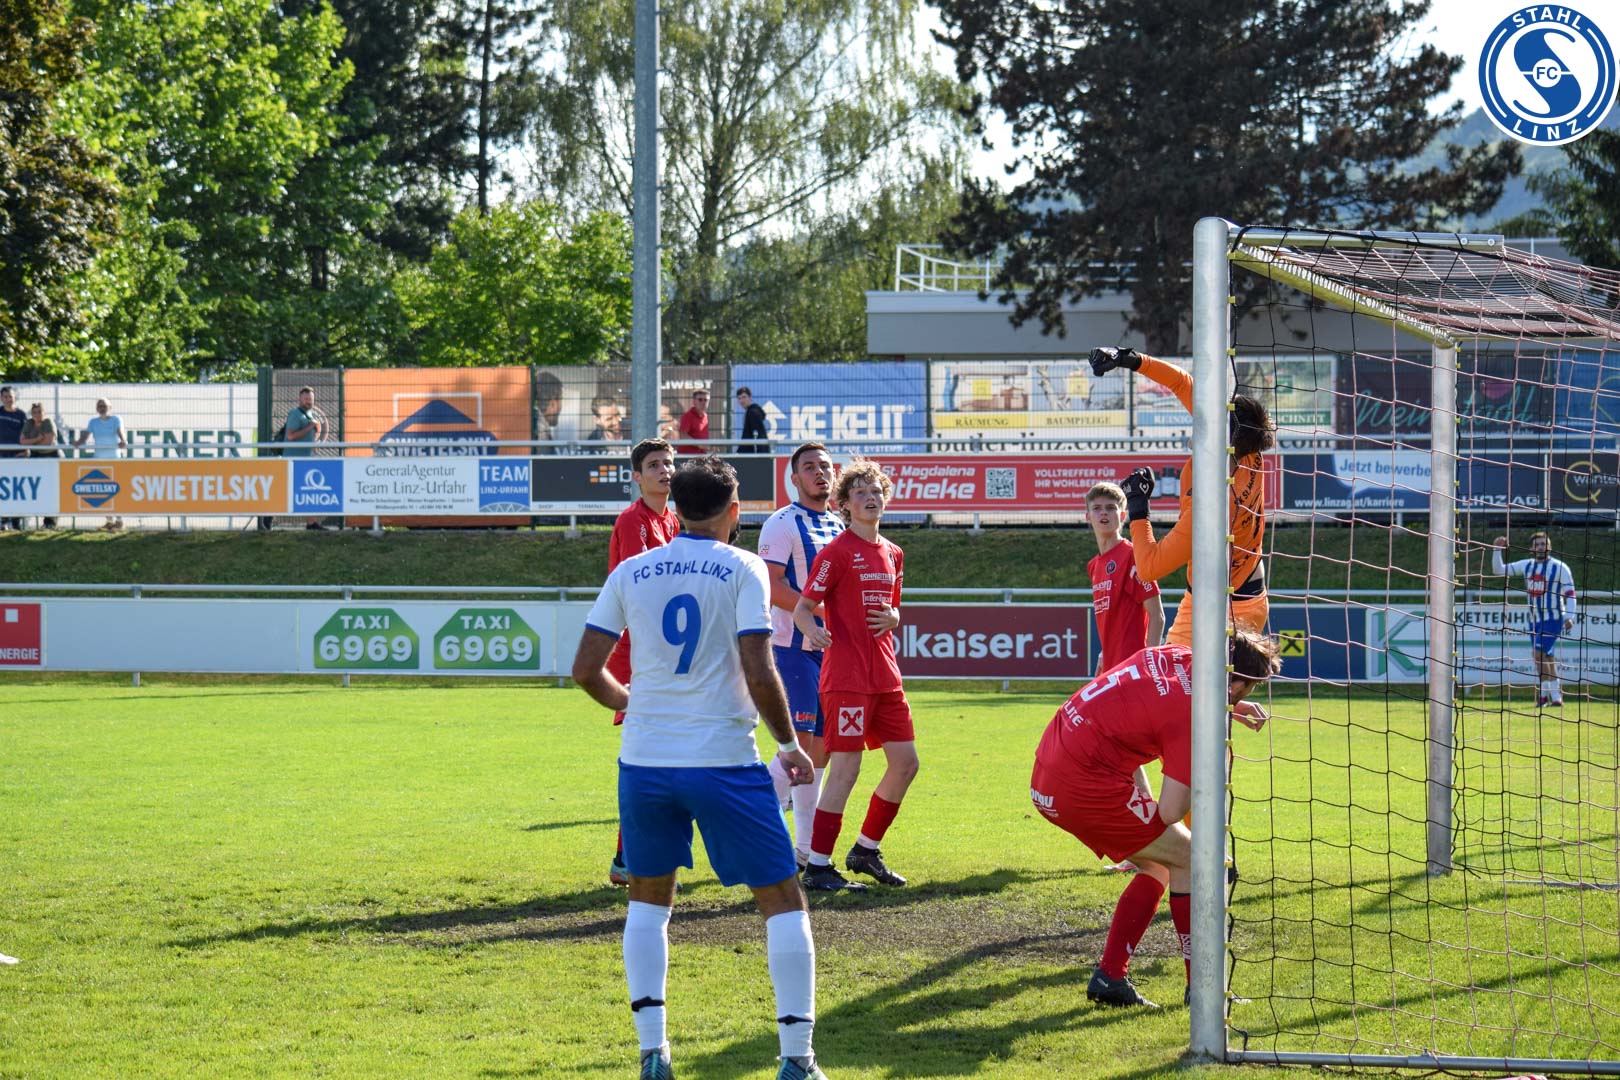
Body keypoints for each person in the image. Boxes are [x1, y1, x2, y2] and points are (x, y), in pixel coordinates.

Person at [571, 455, 831, 1080]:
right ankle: (797, 1059)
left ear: (678, 507)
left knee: (647, 901)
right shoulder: (743, 566)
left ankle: (652, 1053)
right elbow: (759, 668)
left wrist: (634, 703)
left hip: (645, 762)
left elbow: (584, 670)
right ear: (733, 511)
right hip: (722, 760)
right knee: (783, 898)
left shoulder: (632, 570)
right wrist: (789, 745)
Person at [1030, 631, 1281, 1008]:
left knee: (1160, 862)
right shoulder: (1191, 714)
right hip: (1083, 785)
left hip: (1052, 767)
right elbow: (1170, 811)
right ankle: (1203, 989)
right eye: (1250, 688)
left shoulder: (1175, 655)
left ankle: (1110, 978)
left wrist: (1229, 706)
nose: (1248, 694)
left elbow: (1148, 704)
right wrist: (1209, 747)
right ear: (1236, 683)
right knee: (1193, 858)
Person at [1088, 348, 1274, 645]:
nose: (1199, 418)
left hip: (1222, 609)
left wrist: (1138, 507)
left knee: (1174, 676)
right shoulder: (1246, 449)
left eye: (1209, 421)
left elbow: (1149, 567)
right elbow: (1181, 382)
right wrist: (1128, 358)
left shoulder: (1212, 511)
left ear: (1220, 440)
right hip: (1242, 593)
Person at [792, 459, 912, 891]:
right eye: (860, 492)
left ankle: (865, 850)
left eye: (876, 491)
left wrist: (895, 617)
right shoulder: (837, 552)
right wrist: (813, 631)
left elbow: (892, 608)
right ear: (844, 504)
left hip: (886, 675)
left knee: (906, 764)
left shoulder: (894, 553)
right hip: (846, 678)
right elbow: (803, 608)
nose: (870, 498)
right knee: (846, 767)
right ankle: (818, 865)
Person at [759, 443, 844, 866]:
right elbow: (771, 585)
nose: (819, 473)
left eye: (825, 466)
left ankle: (805, 850)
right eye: (809, 467)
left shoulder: (839, 524)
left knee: (822, 751)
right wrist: (824, 612)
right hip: (792, 648)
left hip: (831, 652)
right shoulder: (781, 523)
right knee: (800, 747)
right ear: (794, 479)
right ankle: (760, 832)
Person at [605, 438, 682, 886]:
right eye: (654, 465)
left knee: (657, 757)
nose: (664, 470)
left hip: (662, 654)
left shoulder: (673, 519)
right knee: (645, 758)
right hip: (639, 656)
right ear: (637, 477)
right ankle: (628, 858)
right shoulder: (634, 520)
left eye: (669, 463)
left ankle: (627, 857)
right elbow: (642, 586)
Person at [1085, 481, 1164, 672]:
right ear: (1088, 517)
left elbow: (1157, 616)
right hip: (1111, 667)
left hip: (1133, 669)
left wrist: (1148, 666)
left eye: (1110, 508)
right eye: (1097, 508)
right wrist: (1104, 654)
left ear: (1122, 515)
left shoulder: (1132, 556)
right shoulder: (1094, 565)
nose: (1104, 513)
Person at [1492, 532, 1578, 707]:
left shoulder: (1560, 567)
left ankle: (1543, 696)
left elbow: (1570, 594)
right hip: (1534, 621)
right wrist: (1496, 549)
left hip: (1554, 619)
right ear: (1531, 549)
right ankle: (1556, 697)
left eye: (1543, 544)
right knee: (1547, 658)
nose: (1540, 547)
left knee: (1538, 654)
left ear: (1549, 547)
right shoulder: (1527, 565)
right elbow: (1499, 570)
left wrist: (1570, 616)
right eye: (1537, 544)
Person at [74, 398, 126, 530]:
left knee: (117, 491)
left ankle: (119, 520)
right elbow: (85, 436)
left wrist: (123, 440)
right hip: (99, 460)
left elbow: (120, 432)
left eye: (104, 406)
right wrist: (79, 441)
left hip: (114, 460)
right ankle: (109, 521)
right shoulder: (93, 422)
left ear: (110, 408)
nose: (102, 408)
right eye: (100, 406)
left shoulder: (116, 419)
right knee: (103, 491)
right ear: (97, 409)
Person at [284, 387, 329, 530]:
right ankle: (266, 519)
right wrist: (310, 426)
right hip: (293, 460)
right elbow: (290, 436)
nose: (309, 401)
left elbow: (310, 435)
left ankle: (311, 522)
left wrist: (314, 437)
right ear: (300, 399)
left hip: (306, 460)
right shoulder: (295, 414)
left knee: (308, 491)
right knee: (286, 492)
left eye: (311, 399)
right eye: (306, 399)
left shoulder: (310, 414)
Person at [20, 403, 61, 529]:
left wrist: (32, 443)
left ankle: (50, 522)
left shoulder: (48, 422)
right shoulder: (29, 423)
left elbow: (48, 442)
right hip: (35, 456)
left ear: (44, 413)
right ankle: (27, 520)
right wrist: (38, 439)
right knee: (35, 488)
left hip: (51, 457)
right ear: (31, 414)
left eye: (40, 412)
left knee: (51, 489)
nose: (37, 414)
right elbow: (22, 441)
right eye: (35, 412)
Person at [0, 387, 25, 530]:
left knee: (17, 489)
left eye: (10, 396)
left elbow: (25, 435)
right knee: (3, 490)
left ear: (14, 397)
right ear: (1, 398)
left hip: (16, 456)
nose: (8, 399)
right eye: (5, 396)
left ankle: (16, 521)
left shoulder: (21, 414)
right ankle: (3, 520)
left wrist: (25, 450)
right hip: (1, 456)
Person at [534, 372, 564, 447]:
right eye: (560, 400)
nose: (561, 408)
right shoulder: (541, 432)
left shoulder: (534, 423)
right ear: (553, 404)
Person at [677, 389, 711, 454]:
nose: (703, 402)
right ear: (694, 401)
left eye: (706, 400)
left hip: (701, 455)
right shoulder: (688, 416)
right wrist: (699, 444)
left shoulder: (705, 416)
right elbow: (683, 436)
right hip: (687, 456)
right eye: (700, 400)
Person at [738, 387, 769, 453]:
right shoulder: (752, 411)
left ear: (750, 397)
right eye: (739, 398)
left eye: (744, 397)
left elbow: (757, 435)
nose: (742, 401)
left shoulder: (752, 413)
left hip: (753, 453)